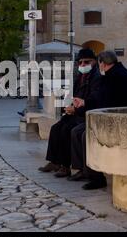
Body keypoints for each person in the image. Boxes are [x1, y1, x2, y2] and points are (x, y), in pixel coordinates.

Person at [70, 50, 127, 190]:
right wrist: (84, 103)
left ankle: (96, 178)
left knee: (85, 135)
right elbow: (102, 99)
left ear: (102, 63)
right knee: (77, 131)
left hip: (115, 119)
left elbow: (103, 101)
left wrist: (84, 104)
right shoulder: (118, 73)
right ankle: (84, 170)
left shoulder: (112, 77)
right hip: (115, 115)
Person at [38, 48, 101, 178]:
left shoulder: (96, 77)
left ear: (94, 61)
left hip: (86, 114)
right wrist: (70, 107)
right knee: (56, 128)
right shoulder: (81, 77)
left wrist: (76, 109)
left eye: (86, 62)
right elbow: (76, 96)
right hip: (77, 112)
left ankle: (65, 166)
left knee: (66, 130)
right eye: (80, 62)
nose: (83, 65)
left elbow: (93, 100)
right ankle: (54, 161)